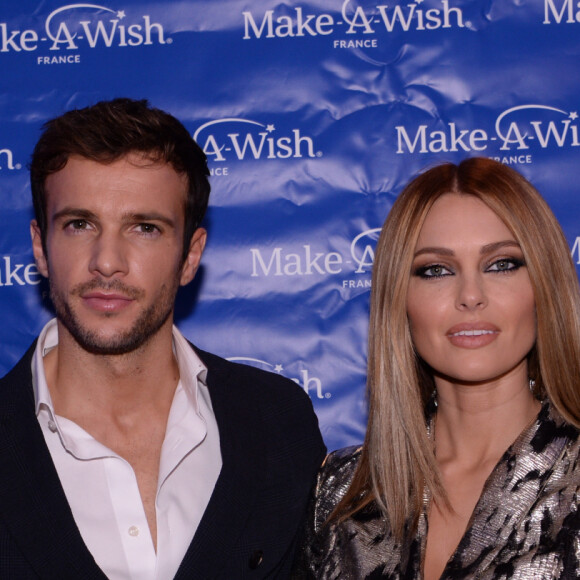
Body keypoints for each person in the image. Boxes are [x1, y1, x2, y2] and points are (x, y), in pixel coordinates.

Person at [0, 98, 326, 579]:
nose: (107, 261)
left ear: (191, 256)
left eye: (145, 228)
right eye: (79, 224)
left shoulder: (279, 424)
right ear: (39, 247)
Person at [294, 157, 580, 579]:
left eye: (501, 264)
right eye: (436, 270)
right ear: (400, 301)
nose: (470, 295)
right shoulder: (343, 492)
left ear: (544, 286)